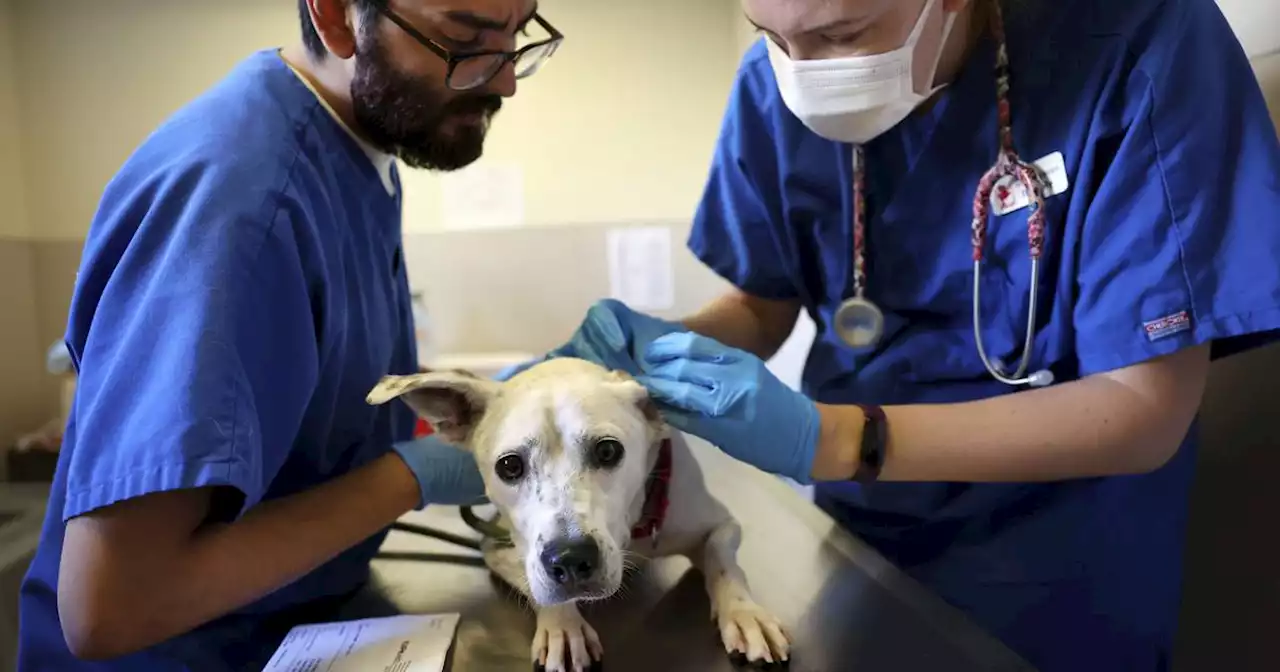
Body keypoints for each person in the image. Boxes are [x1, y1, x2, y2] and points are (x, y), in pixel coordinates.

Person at [533, 0, 1280, 670]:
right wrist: (645, 354)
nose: (800, 72)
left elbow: (1144, 411)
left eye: (840, 34)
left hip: (1059, 564)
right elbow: (763, 307)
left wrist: (836, 438)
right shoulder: (771, 88)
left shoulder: (1140, 41)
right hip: (857, 535)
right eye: (771, 36)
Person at [17, 1, 561, 670]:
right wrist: (406, 478)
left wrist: (506, 402)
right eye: (464, 38)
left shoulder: (357, 152)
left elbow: (317, 411)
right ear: (335, 17)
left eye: (517, 34)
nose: (504, 79)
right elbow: (111, 607)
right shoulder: (240, 203)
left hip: (290, 627)